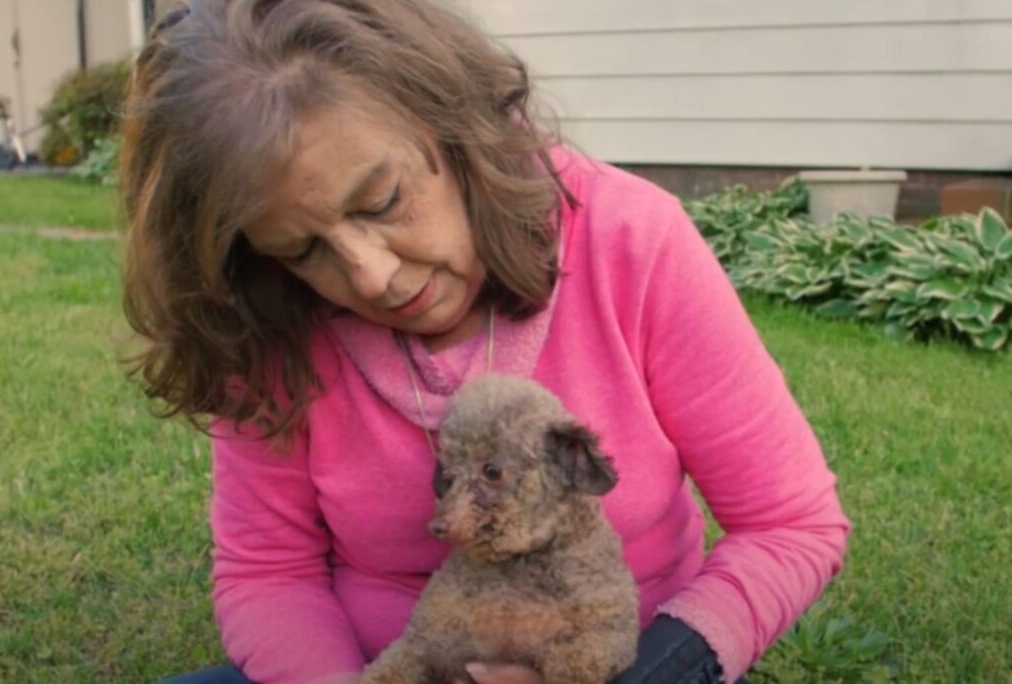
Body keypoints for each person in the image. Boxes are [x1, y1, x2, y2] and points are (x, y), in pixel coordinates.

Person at [121, 1, 850, 683]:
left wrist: (660, 671)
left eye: (382, 201)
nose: (369, 276)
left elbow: (790, 524)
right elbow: (270, 573)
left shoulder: (631, 242)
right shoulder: (267, 314)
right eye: (302, 249)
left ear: (454, 124)